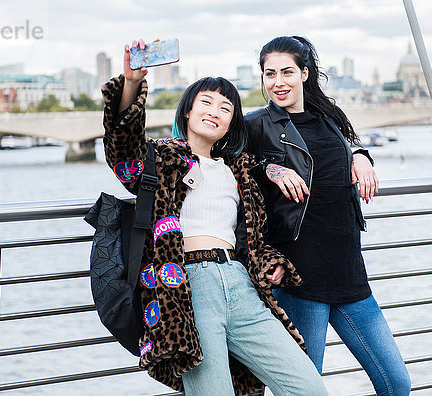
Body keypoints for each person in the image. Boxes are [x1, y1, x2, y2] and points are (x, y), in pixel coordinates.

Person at [102, 39, 327, 396]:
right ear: (187, 112)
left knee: (308, 388)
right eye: (205, 102)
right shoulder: (162, 160)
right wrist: (131, 83)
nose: (215, 111)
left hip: (241, 284)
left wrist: (268, 260)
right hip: (188, 285)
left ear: (231, 123)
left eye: (225, 108)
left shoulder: (240, 172)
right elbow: (122, 148)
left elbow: (252, 235)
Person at [244, 36, 412, 396]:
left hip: (348, 270)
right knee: (306, 389)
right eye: (269, 74)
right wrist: (271, 169)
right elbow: (230, 171)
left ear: (304, 73)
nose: (278, 82)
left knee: (396, 383)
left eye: (287, 71)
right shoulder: (256, 125)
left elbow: (344, 146)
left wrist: (360, 154)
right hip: (300, 275)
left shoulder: (329, 117)